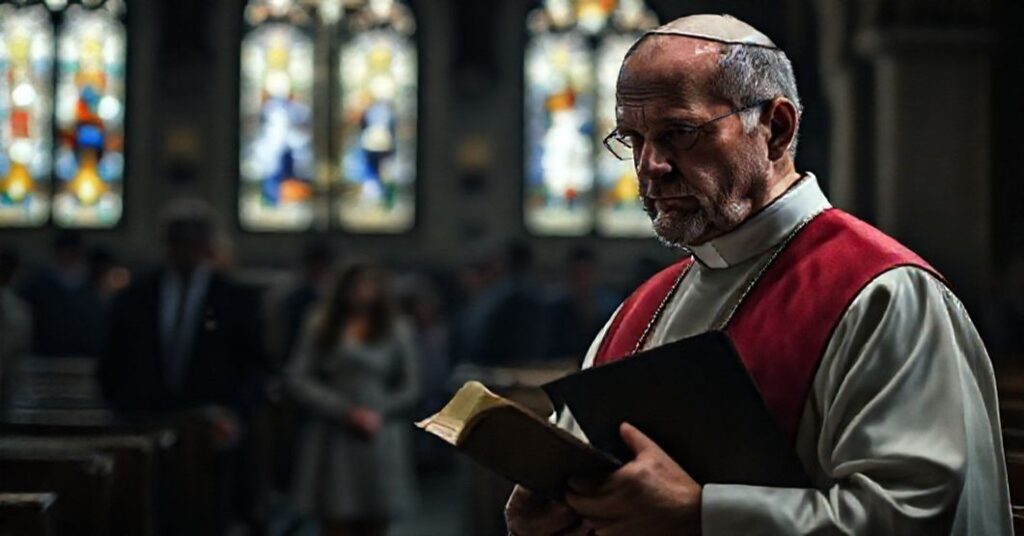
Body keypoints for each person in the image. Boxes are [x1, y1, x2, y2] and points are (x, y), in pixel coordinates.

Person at [506, 14, 1011, 536]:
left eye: (678, 133)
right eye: (633, 139)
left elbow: (907, 515)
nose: (650, 165)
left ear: (776, 128)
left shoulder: (883, 294)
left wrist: (701, 514)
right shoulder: (640, 309)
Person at [287, 260, 419, 536]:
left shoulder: (397, 327)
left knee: (377, 516)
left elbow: (412, 385)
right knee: (336, 515)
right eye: (355, 285)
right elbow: (298, 376)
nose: (361, 292)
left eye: (368, 285)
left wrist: (378, 412)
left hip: (378, 431)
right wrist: (342, 409)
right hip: (334, 430)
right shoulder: (320, 323)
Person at [19, 230, 106, 358]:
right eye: (66, 251)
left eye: (73, 252)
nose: (68, 256)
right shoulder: (38, 285)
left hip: (81, 356)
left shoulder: (89, 285)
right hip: (44, 356)